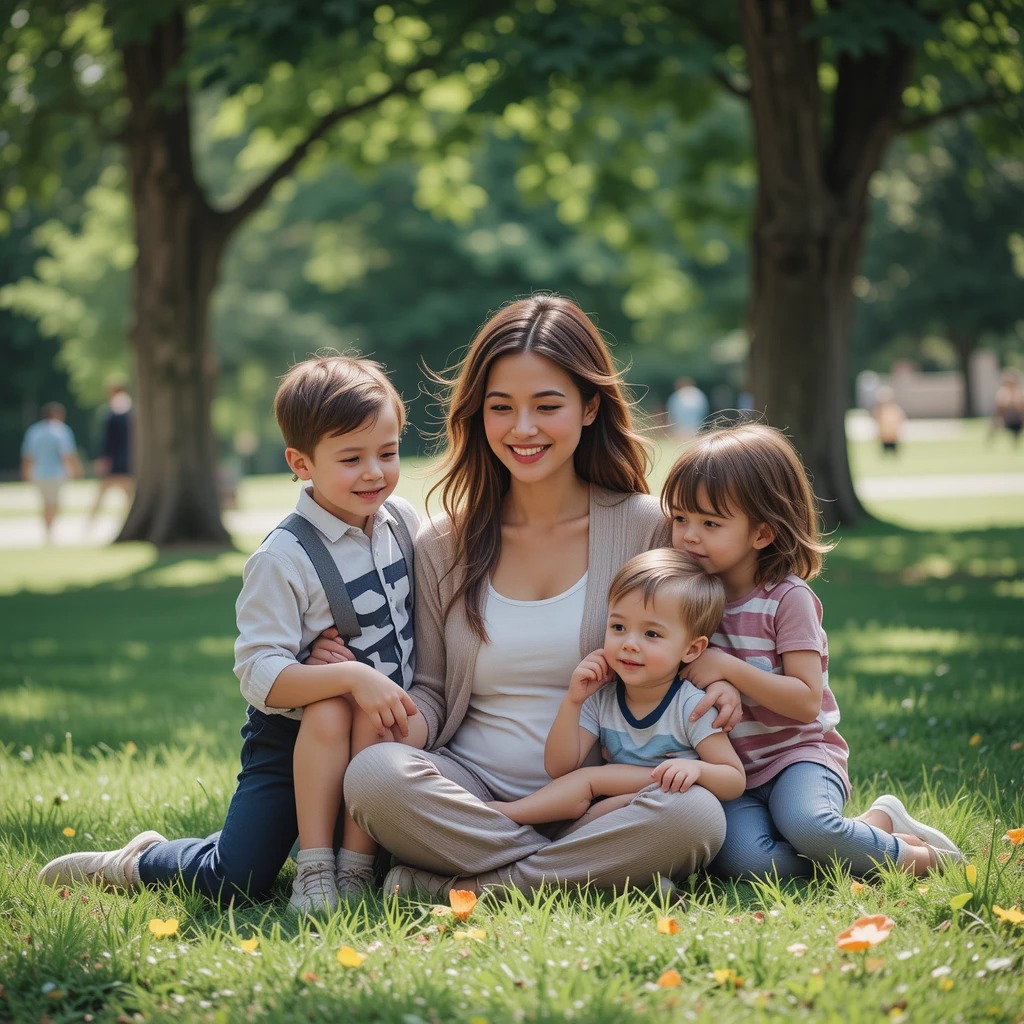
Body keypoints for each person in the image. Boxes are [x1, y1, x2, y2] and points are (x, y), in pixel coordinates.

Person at [328, 294, 741, 900]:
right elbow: (436, 692)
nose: (523, 429)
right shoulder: (445, 542)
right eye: (502, 408)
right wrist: (382, 708)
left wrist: (724, 680)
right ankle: (577, 873)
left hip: (600, 797)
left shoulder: (647, 529)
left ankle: (464, 884)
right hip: (468, 791)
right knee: (374, 777)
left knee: (695, 816)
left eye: (547, 406)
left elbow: (695, 642)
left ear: (590, 406)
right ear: (479, 415)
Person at [38, 355, 420, 912]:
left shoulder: (402, 523)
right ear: (301, 463)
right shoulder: (284, 556)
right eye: (351, 458)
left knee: (394, 850)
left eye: (388, 453)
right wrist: (348, 673)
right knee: (239, 876)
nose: (374, 472)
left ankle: (351, 868)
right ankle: (142, 859)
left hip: (381, 732)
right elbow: (258, 674)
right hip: (289, 740)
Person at [662, 422, 966, 880]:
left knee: (808, 824)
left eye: (710, 523)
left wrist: (726, 667)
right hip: (731, 770)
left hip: (796, 756)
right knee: (746, 863)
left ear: (762, 533)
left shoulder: (787, 599)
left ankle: (921, 859)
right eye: (680, 519)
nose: (688, 535)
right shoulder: (685, 596)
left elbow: (806, 701)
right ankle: (869, 831)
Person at [487, 549, 744, 826]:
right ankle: (513, 819)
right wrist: (573, 701)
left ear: (692, 649)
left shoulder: (691, 706)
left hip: (672, 806)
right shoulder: (603, 699)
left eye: (652, 634)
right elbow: (559, 768)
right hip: (617, 807)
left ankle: (509, 818)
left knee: (593, 783)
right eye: (618, 626)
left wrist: (696, 769)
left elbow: (734, 779)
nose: (629, 643)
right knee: (591, 796)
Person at [20, 402, 83, 543]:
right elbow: (67, 454)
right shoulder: (61, 431)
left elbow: (28, 456)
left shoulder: (34, 431)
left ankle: (48, 530)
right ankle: (50, 530)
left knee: (45, 503)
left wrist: (25, 473)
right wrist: (76, 470)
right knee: (55, 504)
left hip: (39, 474)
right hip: (57, 474)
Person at [88, 381, 134, 526]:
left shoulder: (113, 412)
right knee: (129, 497)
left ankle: (90, 524)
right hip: (129, 459)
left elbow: (109, 440)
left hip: (114, 461)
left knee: (101, 495)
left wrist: (104, 459)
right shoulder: (132, 410)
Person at [992, 369, 1024, 447]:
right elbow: (999, 409)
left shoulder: (1019, 393)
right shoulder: (1002, 393)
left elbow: (1021, 408)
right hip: (1007, 419)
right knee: (994, 424)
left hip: (1017, 420)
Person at [871, 385, 905, 456]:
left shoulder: (894, 409)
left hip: (892, 435)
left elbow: (900, 419)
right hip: (883, 435)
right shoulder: (878, 410)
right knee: (885, 453)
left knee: (894, 453)